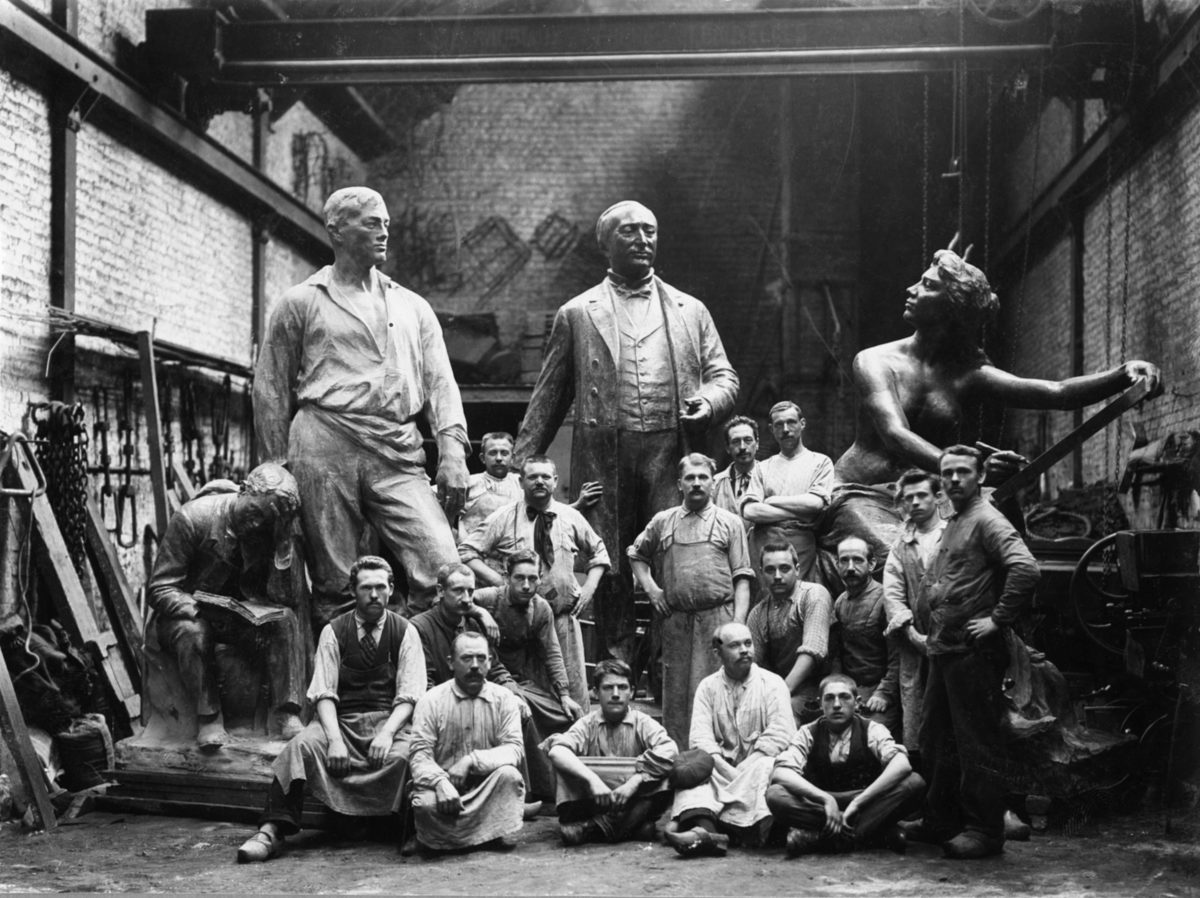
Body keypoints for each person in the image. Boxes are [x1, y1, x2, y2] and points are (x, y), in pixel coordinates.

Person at [514, 200, 739, 657]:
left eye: (650, 231)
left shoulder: (690, 309)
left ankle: (666, 664)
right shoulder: (577, 313)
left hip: (669, 449)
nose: (643, 240)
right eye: (630, 231)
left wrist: (709, 402)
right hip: (605, 452)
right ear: (605, 244)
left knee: (673, 554)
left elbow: (725, 377)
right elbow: (548, 398)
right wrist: (518, 468)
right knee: (612, 560)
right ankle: (614, 665)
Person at [253, 186, 470, 623]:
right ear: (336, 229)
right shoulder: (302, 302)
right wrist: (278, 470)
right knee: (338, 582)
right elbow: (270, 388)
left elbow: (441, 383)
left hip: (397, 446)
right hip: (323, 442)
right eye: (372, 223)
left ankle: (417, 668)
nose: (384, 232)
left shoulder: (414, 307)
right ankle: (348, 681)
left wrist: (453, 451)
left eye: (387, 223)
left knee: (443, 568)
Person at [833, 242, 1160, 488]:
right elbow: (895, 435)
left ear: (952, 310)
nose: (911, 289)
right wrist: (971, 469)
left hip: (916, 497)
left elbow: (1056, 393)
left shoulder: (968, 375)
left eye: (928, 286)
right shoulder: (875, 361)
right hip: (858, 491)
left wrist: (1122, 374)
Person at [236, 556, 426, 863]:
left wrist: (388, 734)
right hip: (339, 721)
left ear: (391, 589)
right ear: (353, 591)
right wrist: (335, 739)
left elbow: (410, 695)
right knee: (300, 748)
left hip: (387, 721)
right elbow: (323, 693)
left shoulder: (405, 632)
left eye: (381, 587)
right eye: (366, 588)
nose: (374, 595)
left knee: (410, 756)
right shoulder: (334, 631)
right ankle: (270, 832)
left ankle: (415, 831)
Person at [906, 445, 1040, 859]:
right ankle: (940, 820)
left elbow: (1026, 568)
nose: (954, 480)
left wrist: (997, 620)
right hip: (944, 649)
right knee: (936, 738)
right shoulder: (955, 519)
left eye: (963, 472)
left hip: (973, 652)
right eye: (947, 473)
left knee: (976, 743)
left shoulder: (986, 519)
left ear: (980, 477)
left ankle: (984, 831)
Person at [148, 462, 305, 749]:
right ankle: (209, 718)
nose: (257, 524)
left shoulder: (267, 532)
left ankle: (285, 714)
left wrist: (283, 545)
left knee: (286, 619)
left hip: (235, 617)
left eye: (266, 520)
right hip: (187, 615)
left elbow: (287, 598)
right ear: (244, 491)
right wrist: (196, 607)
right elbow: (160, 588)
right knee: (194, 632)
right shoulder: (192, 518)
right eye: (255, 513)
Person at [460, 454, 609, 708]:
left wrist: (588, 590)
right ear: (521, 481)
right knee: (529, 700)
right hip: (522, 625)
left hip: (563, 621)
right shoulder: (504, 516)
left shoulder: (569, 516)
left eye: (545, 477)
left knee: (571, 696)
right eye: (532, 477)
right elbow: (467, 551)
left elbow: (599, 553)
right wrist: (499, 582)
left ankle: (571, 746)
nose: (539, 482)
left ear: (555, 481)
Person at [628, 453, 754, 744]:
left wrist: (737, 625)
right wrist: (652, 590)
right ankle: (681, 762)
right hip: (677, 623)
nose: (697, 483)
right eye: (690, 478)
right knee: (677, 696)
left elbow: (742, 577)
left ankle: (721, 758)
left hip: (718, 621)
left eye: (703, 478)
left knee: (719, 692)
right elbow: (635, 554)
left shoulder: (730, 523)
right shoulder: (664, 521)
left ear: (713, 483)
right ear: (679, 484)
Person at [665, 623, 795, 857]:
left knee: (770, 768)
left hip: (758, 766)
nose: (745, 650)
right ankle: (709, 833)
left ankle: (709, 827)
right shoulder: (707, 687)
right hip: (721, 768)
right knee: (692, 769)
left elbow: (782, 732)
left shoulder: (773, 683)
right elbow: (701, 737)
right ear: (718, 653)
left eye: (748, 643)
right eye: (735, 645)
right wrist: (723, 766)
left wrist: (748, 764)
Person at [766, 673, 924, 856]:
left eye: (844, 697)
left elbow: (902, 764)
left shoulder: (872, 729)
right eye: (829, 698)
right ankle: (874, 835)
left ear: (857, 703)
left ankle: (820, 839)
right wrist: (826, 800)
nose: (837, 705)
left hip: (864, 801)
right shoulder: (808, 732)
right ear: (820, 704)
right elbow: (780, 773)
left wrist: (858, 802)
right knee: (775, 794)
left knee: (914, 784)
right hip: (822, 803)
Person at [409, 631, 526, 854]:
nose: (474, 665)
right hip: (443, 791)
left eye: (481, 658)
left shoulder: (505, 699)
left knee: (510, 777)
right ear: (451, 663)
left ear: (490, 663)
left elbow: (514, 749)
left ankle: (454, 838)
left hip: (486, 788)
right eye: (466, 658)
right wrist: (439, 783)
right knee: (424, 804)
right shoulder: (431, 701)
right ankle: (452, 837)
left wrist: (472, 761)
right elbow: (419, 755)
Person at [543, 659, 679, 846]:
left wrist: (635, 781)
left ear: (631, 691)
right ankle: (632, 826)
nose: (616, 694)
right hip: (594, 802)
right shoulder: (587, 724)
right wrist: (593, 781)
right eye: (608, 688)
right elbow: (557, 750)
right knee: (563, 767)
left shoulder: (643, 722)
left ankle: (594, 829)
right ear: (596, 692)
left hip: (632, 799)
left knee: (669, 775)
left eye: (622, 687)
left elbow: (670, 749)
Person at [881, 469, 947, 751]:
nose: (916, 503)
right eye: (909, 498)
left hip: (952, 640)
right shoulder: (901, 545)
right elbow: (892, 591)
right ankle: (921, 777)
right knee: (918, 712)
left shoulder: (953, 534)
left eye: (923, 495)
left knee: (955, 712)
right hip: (915, 642)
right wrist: (911, 633)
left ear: (938, 497)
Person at [743, 402, 834, 585]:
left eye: (791, 422)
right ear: (771, 429)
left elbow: (815, 504)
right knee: (766, 602)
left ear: (802, 423)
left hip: (800, 544)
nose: (785, 429)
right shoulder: (763, 468)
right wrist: (801, 513)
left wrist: (773, 500)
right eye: (778, 425)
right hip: (764, 545)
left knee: (799, 597)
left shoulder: (820, 462)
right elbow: (750, 511)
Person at [746, 541, 833, 722]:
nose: (777, 576)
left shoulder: (813, 595)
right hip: (783, 688)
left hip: (822, 686)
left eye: (784, 568)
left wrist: (780, 694)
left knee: (784, 716)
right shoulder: (758, 613)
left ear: (797, 569)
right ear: (761, 573)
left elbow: (813, 651)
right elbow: (753, 665)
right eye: (770, 570)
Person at [829, 537, 901, 736]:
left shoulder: (886, 600)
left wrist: (884, 693)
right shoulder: (840, 603)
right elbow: (837, 656)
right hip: (851, 694)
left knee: (869, 739)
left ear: (872, 564)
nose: (850, 567)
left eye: (858, 560)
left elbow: (898, 657)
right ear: (837, 565)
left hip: (880, 694)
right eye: (844, 561)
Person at [457, 432, 523, 550]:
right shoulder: (468, 483)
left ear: (512, 458)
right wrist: (456, 533)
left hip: (511, 554)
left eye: (504, 453)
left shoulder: (521, 484)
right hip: (472, 554)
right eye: (493, 453)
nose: (498, 458)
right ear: (483, 458)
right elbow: (431, 500)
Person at [712, 415, 764, 525]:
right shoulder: (715, 484)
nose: (742, 447)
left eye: (748, 440)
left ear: (757, 443)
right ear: (727, 448)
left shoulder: (770, 478)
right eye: (736, 441)